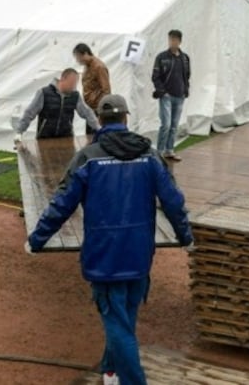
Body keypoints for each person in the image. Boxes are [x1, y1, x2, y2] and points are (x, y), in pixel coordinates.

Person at [24, 94, 193, 385]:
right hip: (140, 253)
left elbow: (62, 203)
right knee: (125, 316)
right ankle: (110, 370)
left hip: (104, 255)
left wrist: (37, 240)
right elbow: (173, 201)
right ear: (126, 118)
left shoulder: (88, 157)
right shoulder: (150, 154)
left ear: (100, 120)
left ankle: (132, 381)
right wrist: (185, 236)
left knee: (116, 323)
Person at [13, 68, 99, 144]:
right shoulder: (44, 93)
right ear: (63, 79)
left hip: (67, 139)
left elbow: (87, 113)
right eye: (71, 83)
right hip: (44, 140)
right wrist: (19, 132)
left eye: (75, 84)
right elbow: (29, 113)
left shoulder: (75, 96)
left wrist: (99, 129)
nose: (74, 87)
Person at [151, 30, 190, 162]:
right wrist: (162, 92)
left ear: (179, 41)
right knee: (166, 124)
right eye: (170, 39)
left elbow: (187, 75)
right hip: (166, 96)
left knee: (174, 125)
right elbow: (155, 77)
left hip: (180, 96)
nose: (172, 42)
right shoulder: (161, 57)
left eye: (174, 40)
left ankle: (169, 150)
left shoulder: (185, 58)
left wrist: (185, 90)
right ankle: (159, 152)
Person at [73, 43, 111, 133]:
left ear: (85, 54)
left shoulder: (99, 67)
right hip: (90, 108)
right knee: (89, 136)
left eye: (78, 57)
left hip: (98, 109)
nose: (77, 61)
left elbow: (106, 90)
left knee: (96, 135)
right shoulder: (87, 66)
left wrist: (101, 110)